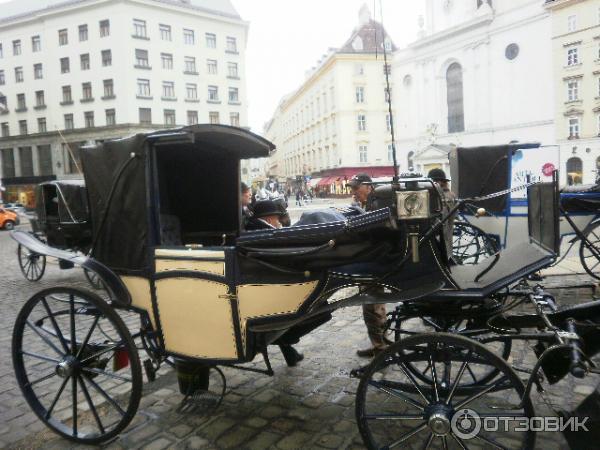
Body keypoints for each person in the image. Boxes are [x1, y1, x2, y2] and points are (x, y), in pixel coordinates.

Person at [347, 173, 389, 358]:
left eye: (357, 188)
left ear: (368, 187)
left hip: (375, 262)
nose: (354, 192)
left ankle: (381, 347)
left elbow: (378, 232)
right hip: (371, 260)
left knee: (373, 305)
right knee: (372, 305)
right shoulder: (370, 202)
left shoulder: (377, 202)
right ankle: (379, 344)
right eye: (353, 189)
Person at [427, 168, 457, 260]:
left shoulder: (440, 196)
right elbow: (455, 215)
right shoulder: (451, 194)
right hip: (448, 229)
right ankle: (448, 256)